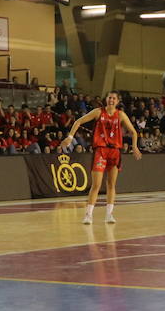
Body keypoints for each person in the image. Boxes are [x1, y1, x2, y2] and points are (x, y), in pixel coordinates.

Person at [60, 91, 143, 224]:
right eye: (109, 97)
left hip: (115, 151)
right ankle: (88, 215)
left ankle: (109, 214)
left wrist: (134, 147)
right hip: (101, 150)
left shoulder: (120, 114)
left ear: (117, 101)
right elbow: (78, 121)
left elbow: (134, 132)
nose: (111, 100)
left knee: (111, 184)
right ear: (106, 99)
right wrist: (70, 137)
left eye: (114, 98)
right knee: (96, 185)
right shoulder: (98, 112)